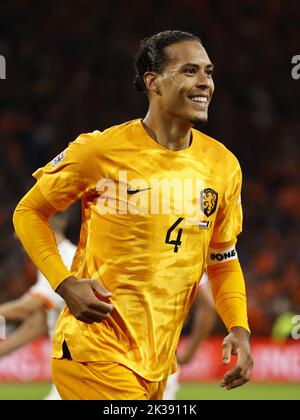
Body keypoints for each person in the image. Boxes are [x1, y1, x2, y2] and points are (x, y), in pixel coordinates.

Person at [13, 30, 253, 400]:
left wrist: (239, 327)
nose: (205, 82)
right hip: (96, 352)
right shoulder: (100, 151)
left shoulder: (222, 165)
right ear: (153, 82)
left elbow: (222, 258)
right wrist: (64, 283)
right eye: (190, 71)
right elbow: (29, 211)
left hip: (158, 364)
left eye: (208, 71)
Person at [0, 213, 76, 400]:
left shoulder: (67, 259)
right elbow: (40, 322)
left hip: (83, 368)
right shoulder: (52, 262)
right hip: (68, 371)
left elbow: (25, 308)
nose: (17, 237)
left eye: (23, 230)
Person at [163, 272, 217, 400]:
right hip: (163, 360)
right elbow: (208, 307)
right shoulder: (184, 257)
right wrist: (188, 354)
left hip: (117, 353)